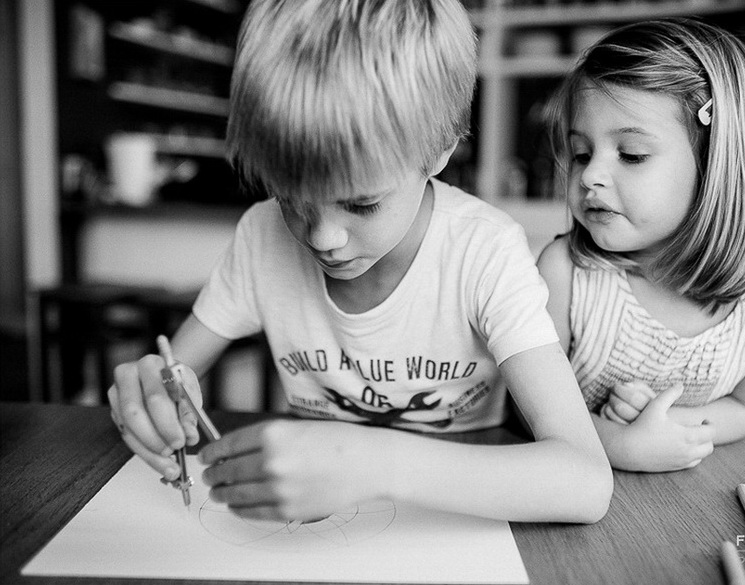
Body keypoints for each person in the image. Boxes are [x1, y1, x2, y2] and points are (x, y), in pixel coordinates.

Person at [108, 0, 612, 524]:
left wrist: (374, 463)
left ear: (439, 150)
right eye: (291, 198)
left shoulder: (484, 252)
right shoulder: (261, 237)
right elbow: (177, 371)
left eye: (362, 203)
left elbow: (585, 480)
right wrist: (156, 394)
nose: (323, 238)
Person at [538, 18, 745, 473]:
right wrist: (619, 443)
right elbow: (526, 413)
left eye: (632, 155)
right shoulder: (564, 273)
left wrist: (663, 424)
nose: (589, 175)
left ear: (716, 162)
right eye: (582, 152)